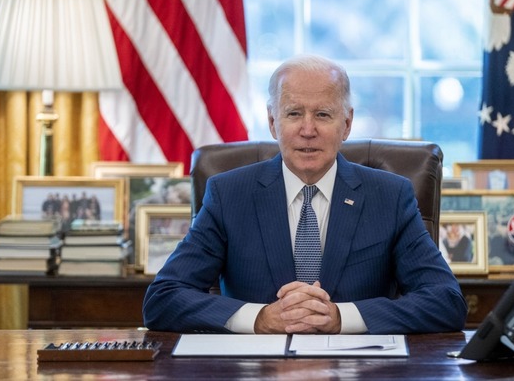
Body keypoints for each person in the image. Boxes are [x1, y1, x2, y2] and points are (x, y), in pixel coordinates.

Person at [143, 54, 467, 334]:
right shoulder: (229, 195)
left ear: (347, 123)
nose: (307, 130)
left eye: (323, 114)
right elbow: (163, 299)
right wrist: (259, 318)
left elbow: (446, 302)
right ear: (273, 122)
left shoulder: (390, 197)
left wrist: (342, 317)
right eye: (294, 113)